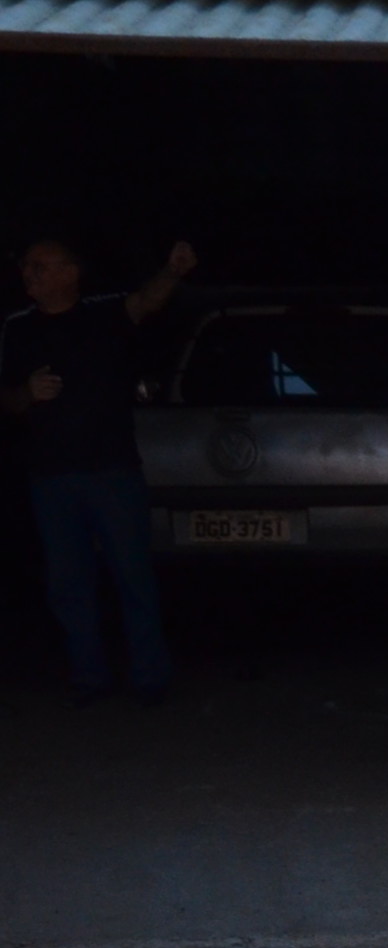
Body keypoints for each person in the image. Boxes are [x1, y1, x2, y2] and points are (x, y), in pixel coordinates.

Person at [2, 235, 192, 705]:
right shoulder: (18, 327)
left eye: (40, 266)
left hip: (112, 471)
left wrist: (173, 271)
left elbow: (146, 301)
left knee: (132, 576)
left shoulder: (102, 315)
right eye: (26, 267)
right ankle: (89, 679)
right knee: (68, 584)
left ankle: (150, 677)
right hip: (51, 476)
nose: (30, 274)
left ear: (71, 272)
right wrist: (27, 393)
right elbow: (5, 399)